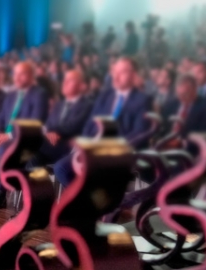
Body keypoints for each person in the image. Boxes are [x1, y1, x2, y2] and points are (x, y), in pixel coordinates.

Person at [52, 57, 153, 189]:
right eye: (114, 72)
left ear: (133, 75)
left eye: (122, 72)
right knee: (61, 168)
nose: (116, 77)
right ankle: (87, 198)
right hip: (93, 148)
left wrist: (110, 149)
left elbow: (139, 133)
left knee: (92, 173)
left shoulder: (143, 100)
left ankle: (92, 197)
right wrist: (84, 145)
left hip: (118, 153)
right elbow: (90, 124)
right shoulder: (106, 95)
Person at [0, 61, 49, 208]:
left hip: (25, 139)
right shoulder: (12, 94)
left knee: (4, 147)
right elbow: (1, 117)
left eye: (22, 74)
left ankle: (1, 193)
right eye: (16, 74)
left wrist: (10, 136)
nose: (17, 78)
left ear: (31, 76)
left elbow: (36, 121)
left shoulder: (39, 94)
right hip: (4, 137)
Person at [29, 69, 92, 168]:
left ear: (81, 86)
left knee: (32, 144)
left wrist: (53, 130)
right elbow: (48, 124)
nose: (65, 83)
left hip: (69, 146)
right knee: (32, 155)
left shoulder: (87, 105)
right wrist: (49, 132)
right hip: (51, 144)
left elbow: (73, 126)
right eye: (65, 80)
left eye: (70, 80)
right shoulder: (59, 104)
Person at [161, 74, 206, 138]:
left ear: (194, 90)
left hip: (190, 141)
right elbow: (164, 127)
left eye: (184, 94)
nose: (180, 97)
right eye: (178, 94)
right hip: (168, 140)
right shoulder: (171, 104)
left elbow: (203, 132)